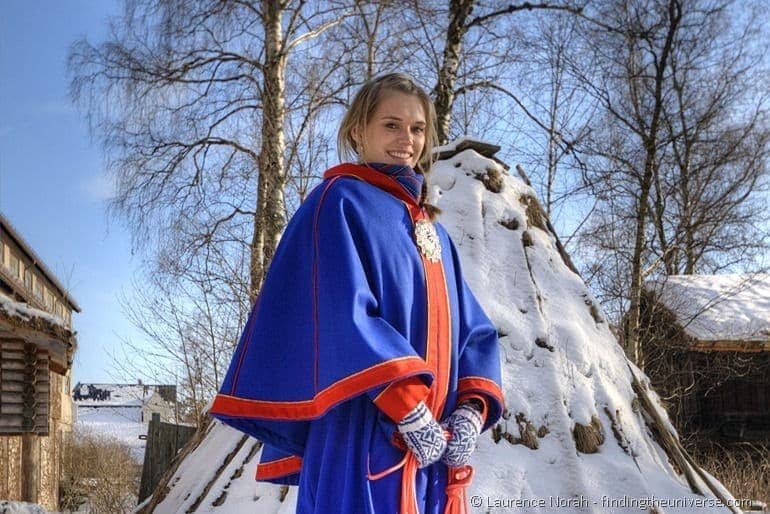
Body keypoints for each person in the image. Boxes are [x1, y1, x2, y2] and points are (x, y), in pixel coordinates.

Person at [209, 72, 504, 514]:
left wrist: (469, 412)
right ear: (356, 130)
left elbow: (473, 331)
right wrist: (408, 409)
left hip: (432, 457)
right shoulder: (337, 202)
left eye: (417, 128)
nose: (407, 139)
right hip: (360, 441)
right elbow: (340, 316)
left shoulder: (435, 234)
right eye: (391, 125)